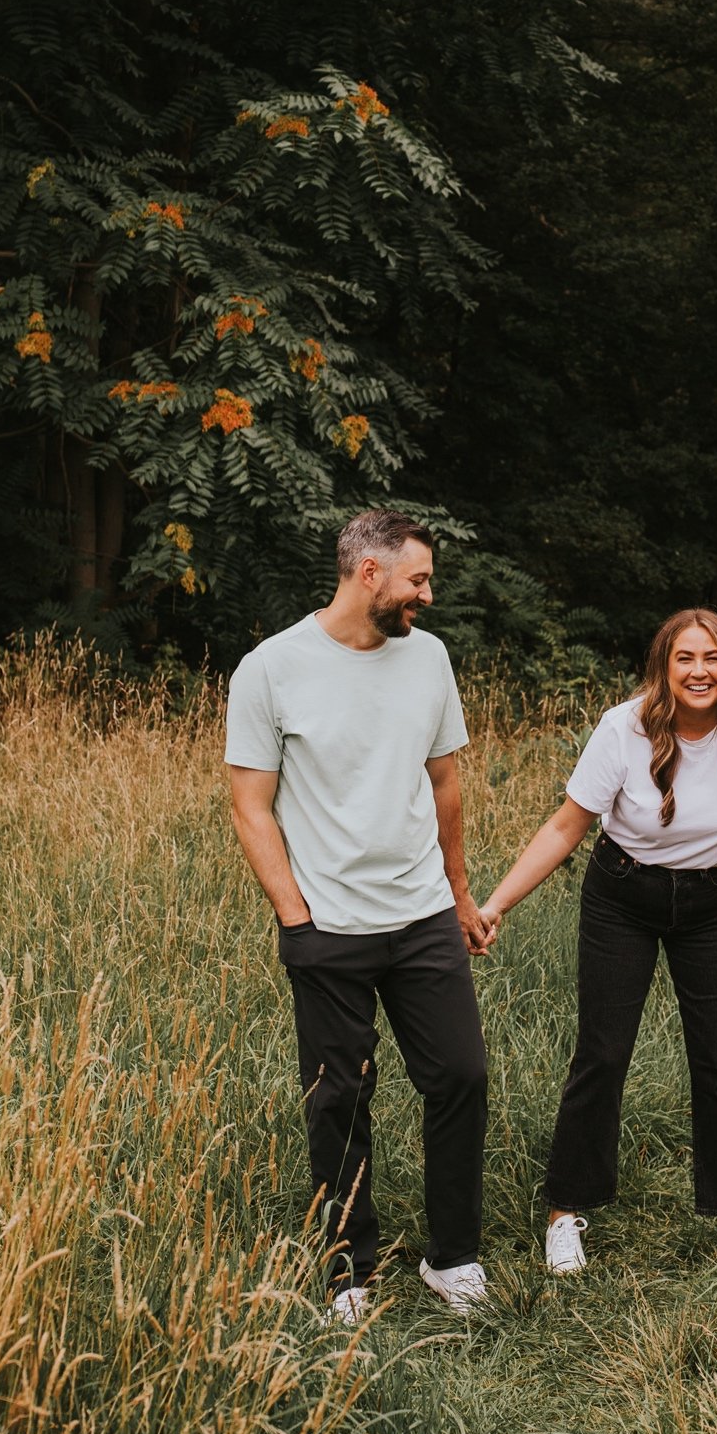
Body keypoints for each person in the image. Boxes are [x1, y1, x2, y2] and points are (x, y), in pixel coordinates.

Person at [479, 607, 717, 1275]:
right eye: (686, 658)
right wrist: (495, 903)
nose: (701, 670)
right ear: (664, 668)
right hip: (623, 897)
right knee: (603, 1051)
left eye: (713, 658)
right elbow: (565, 825)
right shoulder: (624, 728)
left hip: (713, 900)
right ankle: (565, 1213)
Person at [226, 510, 495, 1325]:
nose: (428, 593)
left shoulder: (430, 659)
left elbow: (444, 783)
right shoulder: (271, 668)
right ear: (369, 573)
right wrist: (296, 918)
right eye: (417, 578)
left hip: (420, 917)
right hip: (330, 928)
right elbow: (249, 804)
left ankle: (453, 1257)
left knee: (461, 1076)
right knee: (339, 1096)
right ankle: (349, 1269)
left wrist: (458, 892)